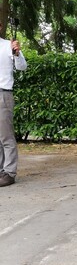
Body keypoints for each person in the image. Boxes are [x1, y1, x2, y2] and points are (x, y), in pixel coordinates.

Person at [0, 21, 27, 187]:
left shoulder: (7, 46)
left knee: (5, 136)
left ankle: (9, 173)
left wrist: (17, 53)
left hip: (2, 94)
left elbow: (22, 67)